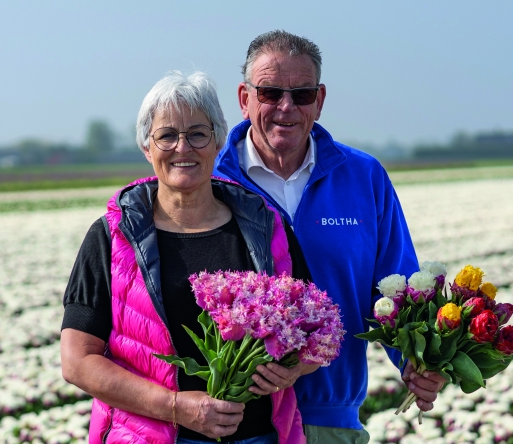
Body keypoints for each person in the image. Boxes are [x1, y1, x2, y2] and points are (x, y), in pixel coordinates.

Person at [212, 30, 446, 444]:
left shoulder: (363, 177)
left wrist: (417, 360)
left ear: (319, 100)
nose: (286, 107)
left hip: (331, 420)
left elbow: (397, 289)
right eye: (270, 93)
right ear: (244, 98)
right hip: (232, 420)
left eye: (301, 94)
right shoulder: (211, 180)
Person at [60, 71, 313, 444]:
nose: (182, 148)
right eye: (166, 136)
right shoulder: (112, 237)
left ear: (218, 141)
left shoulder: (266, 228)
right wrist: (175, 407)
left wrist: (295, 368)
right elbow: (77, 362)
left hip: (261, 436)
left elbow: (314, 329)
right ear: (147, 148)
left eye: (197, 134)